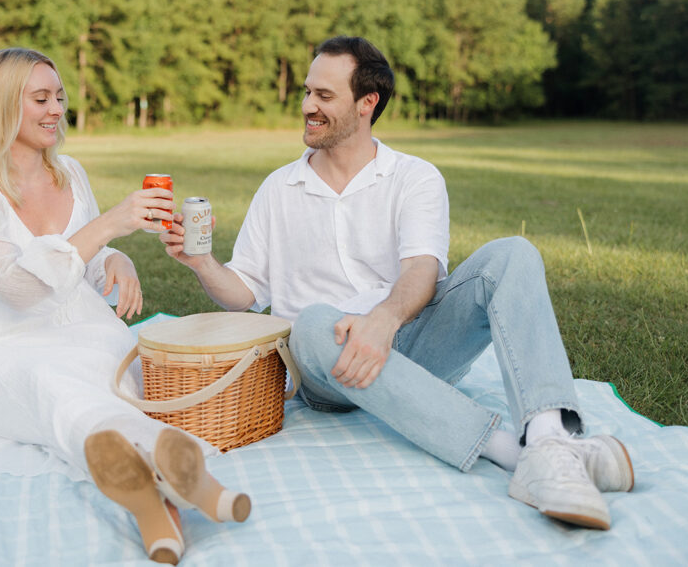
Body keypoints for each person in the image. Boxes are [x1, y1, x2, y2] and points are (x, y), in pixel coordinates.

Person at [161, 36, 634, 530]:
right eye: (307, 92)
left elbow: (421, 270)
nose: (307, 106)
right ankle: (515, 456)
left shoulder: (415, 177)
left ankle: (547, 440)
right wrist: (202, 263)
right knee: (312, 323)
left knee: (513, 254)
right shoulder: (279, 188)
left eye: (324, 96)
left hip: (411, 341)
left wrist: (383, 320)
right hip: (327, 364)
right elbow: (245, 294)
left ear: (368, 103)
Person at [0, 47, 249, 565]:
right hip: (1, 338)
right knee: (52, 386)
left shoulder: (70, 172)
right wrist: (111, 224)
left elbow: (84, 258)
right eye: (40, 98)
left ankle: (155, 510)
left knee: (104, 382)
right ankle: (191, 482)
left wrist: (118, 258)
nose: (55, 109)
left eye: (59, 97)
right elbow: (18, 289)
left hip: (80, 324)